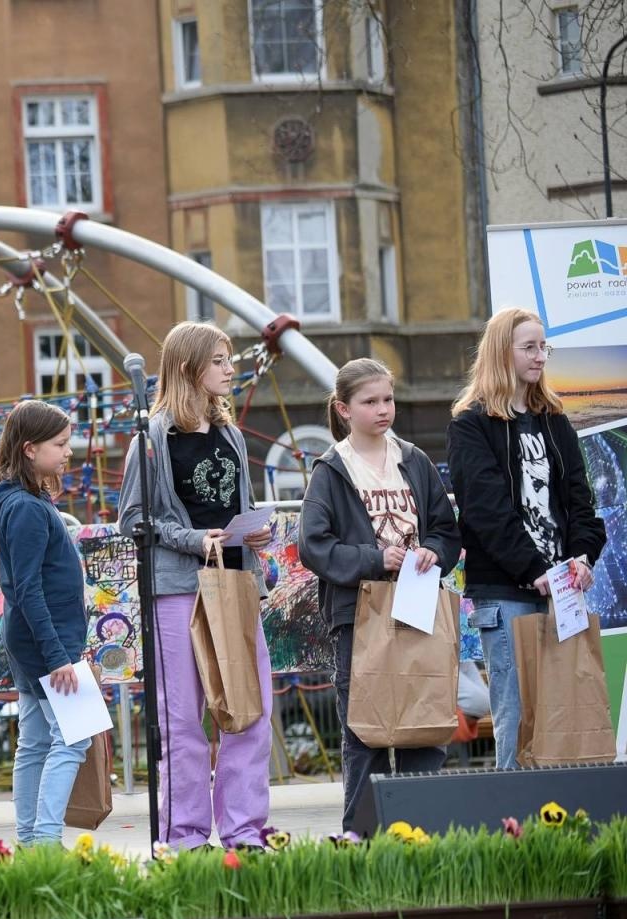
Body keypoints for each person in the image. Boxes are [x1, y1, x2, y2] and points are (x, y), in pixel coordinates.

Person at [117, 322, 273, 851]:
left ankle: (245, 831)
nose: (230, 370)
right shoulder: (153, 438)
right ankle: (184, 836)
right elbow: (132, 519)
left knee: (249, 712)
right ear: (188, 368)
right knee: (183, 719)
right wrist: (191, 539)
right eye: (219, 361)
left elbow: (237, 504)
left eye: (230, 360)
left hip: (235, 584)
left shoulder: (231, 434)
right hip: (179, 589)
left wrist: (255, 531)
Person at [297, 358, 461, 831]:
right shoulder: (331, 469)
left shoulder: (414, 459)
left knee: (423, 724)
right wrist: (375, 559)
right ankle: (363, 839)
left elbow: (446, 530)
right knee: (365, 732)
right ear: (344, 409)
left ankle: (420, 832)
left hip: (418, 608)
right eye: (370, 401)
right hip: (359, 615)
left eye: (388, 399)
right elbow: (314, 544)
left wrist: (432, 550)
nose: (383, 409)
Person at [447, 308, 605, 769]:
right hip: (506, 592)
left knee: (566, 714)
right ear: (502, 352)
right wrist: (535, 570)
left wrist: (582, 557)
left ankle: (564, 809)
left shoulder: (554, 420)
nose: (540, 357)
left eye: (543, 347)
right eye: (530, 347)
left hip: (563, 593)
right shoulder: (471, 423)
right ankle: (515, 812)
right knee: (516, 719)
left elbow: (581, 502)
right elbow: (485, 511)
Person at [0, 399, 91, 847]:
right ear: (30, 449)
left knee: (36, 741)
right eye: (60, 444)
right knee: (75, 738)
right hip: (49, 644)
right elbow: (27, 589)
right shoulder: (26, 508)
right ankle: (44, 840)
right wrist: (58, 655)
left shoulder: (24, 501)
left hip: (36, 641)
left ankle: (31, 839)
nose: (69, 451)